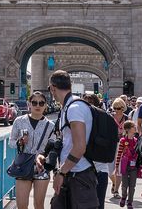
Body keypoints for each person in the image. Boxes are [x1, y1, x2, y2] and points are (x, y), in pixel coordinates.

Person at [35, 70, 97, 209]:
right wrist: (45, 155)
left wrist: (61, 173)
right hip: (70, 174)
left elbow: (79, 147)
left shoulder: (75, 108)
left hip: (80, 176)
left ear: (52, 88)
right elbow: (64, 142)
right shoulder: (67, 107)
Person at [9, 91, 53, 209]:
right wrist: (20, 142)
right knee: (22, 205)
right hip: (23, 165)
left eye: (41, 103)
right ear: (29, 104)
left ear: (45, 105)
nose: (38, 106)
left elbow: (53, 147)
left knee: (39, 205)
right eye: (34, 103)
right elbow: (11, 142)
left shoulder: (51, 125)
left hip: (41, 166)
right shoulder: (19, 121)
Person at [84, 93, 111, 206]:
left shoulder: (105, 121)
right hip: (82, 170)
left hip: (100, 169)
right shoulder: (77, 122)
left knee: (99, 203)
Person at [115, 121, 142, 208]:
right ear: (128, 129)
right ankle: (123, 197)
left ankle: (130, 202)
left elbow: (139, 154)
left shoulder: (136, 140)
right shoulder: (123, 140)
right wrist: (116, 167)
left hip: (134, 166)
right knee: (124, 184)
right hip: (125, 165)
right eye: (133, 126)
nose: (135, 127)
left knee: (132, 185)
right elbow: (119, 154)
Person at [109, 97, 129, 200]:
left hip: (122, 144)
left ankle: (116, 190)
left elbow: (130, 131)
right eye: (115, 108)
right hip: (111, 144)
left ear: (123, 107)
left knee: (119, 169)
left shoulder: (126, 117)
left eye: (120, 108)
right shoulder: (109, 117)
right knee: (109, 170)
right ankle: (114, 183)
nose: (117, 110)